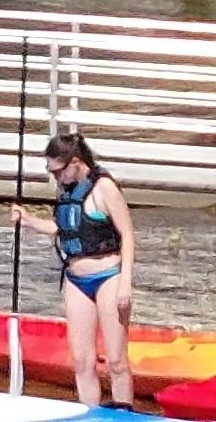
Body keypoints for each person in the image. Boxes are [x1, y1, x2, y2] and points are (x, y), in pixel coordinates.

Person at [44, 128, 139, 412]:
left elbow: (128, 237)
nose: (55, 177)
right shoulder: (66, 189)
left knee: (116, 360)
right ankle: (90, 414)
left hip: (108, 275)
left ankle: (123, 413)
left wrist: (125, 284)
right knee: (82, 361)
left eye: (57, 171)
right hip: (76, 279)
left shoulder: (104, 188)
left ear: (74, 162)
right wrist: (27, 221)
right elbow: (64, 229)